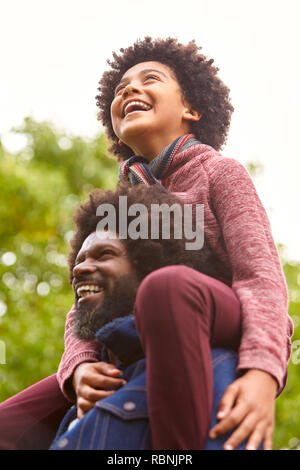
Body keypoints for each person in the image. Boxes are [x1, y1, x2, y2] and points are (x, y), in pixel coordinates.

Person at [0, 36, 293, 450]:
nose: (130, 90)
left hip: (213, 310)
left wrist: (263, 373)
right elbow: (85, 300)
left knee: (167, 287)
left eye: (149, 79)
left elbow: (261, 277)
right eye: (120, 89)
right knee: (9, 423)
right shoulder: (116, 203)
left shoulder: (219, 173)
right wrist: (80, 366)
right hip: (141, 322)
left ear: (191, 110)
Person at [51, 183, 242, 450]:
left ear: (150, 265)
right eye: (78, 260)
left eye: (105, 254)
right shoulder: (87, 394)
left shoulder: (212, 368)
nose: (79, 269)